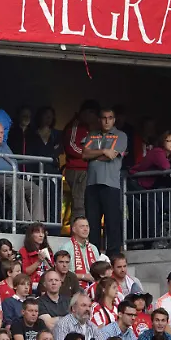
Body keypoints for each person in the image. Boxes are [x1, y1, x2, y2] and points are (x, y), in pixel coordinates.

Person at [0, 122, 44, 223]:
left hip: (12, 177)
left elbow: (13, 162)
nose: (0, 135)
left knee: (35, 188)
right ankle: (25, 222)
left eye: (1, 132)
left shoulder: (5, 146)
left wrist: (18, 173)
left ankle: (37, 223)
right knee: (16, 185)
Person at [82, 107, 126, 255]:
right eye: (104, 118)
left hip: (111, 184)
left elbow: (111, 156)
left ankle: (113, 255)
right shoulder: (92, 135)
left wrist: (94, 155)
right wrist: (102, 151)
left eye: (110, 118)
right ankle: (93, 254)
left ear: (114, 120)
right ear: (99, 120)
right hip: (92, 183)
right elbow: (84, 154)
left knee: (112, 221)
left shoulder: (121, 135)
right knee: (92, 222)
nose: (107, 121)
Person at [58, 218, 99, 287]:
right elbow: (61, 272)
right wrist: (83, 276)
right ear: (74, 229)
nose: (85, 229)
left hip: (94, 285)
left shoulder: (93, 248)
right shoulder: (66, 248)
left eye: (87, 226)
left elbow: (99, 269)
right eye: (82, 227)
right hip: (73, 286)